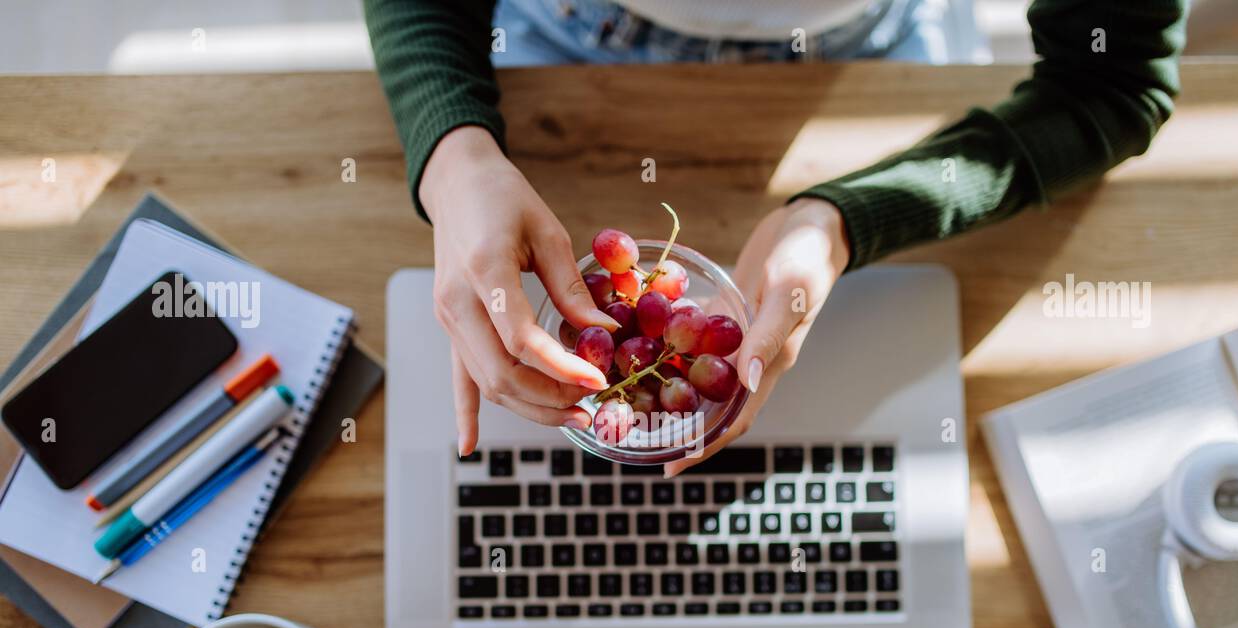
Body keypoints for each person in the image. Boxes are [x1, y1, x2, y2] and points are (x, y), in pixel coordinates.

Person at [364, 0, 1187, 474]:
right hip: (568, 28)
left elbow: (1109, 85)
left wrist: (842, 221)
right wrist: (454, 152)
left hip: (875, 40)